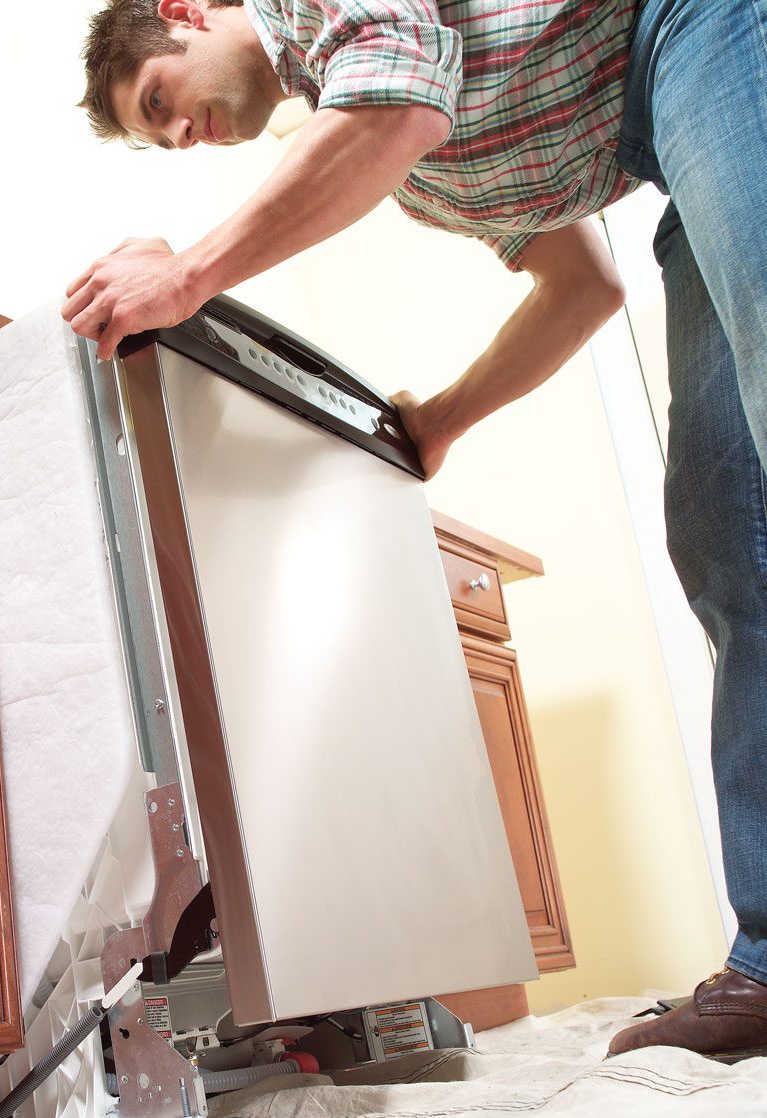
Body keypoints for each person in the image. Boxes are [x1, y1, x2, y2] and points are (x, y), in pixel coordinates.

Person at [62, 0, 767, 1062]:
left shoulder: (318, 20)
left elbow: (397, 109)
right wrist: (443, 419)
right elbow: (583, 286)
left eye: (163, 100)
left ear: (186, 13)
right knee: (726, 535)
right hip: (666, 143)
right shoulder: (427, 184)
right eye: (163, 140)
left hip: (707, 26)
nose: (183, 135)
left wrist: (190, 273)